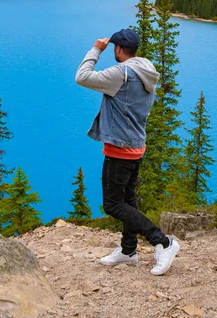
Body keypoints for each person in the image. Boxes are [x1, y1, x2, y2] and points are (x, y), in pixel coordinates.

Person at [75, 28, 180, 276]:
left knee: (112, 205)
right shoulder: (146, 70)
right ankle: (128, 250)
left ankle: (163, 242)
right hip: (136, 146)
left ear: (119, 49)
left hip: (119, 149)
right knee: (128, 200)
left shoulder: (121, 73)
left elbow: (82, 77)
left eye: (114, 48)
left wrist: (95, 50)